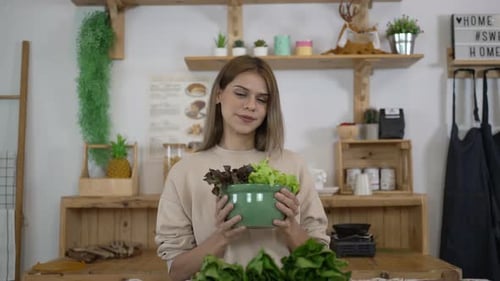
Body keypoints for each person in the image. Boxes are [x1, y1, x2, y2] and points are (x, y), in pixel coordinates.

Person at [155, 55, 329, 281]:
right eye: (240, 93)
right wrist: (221, 237)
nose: (250, 106)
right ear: (219, 94)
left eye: (262, 99)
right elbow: (177, 272)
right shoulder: (184, 172)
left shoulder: (293, 165)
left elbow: (323, 264)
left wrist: (291, 229)